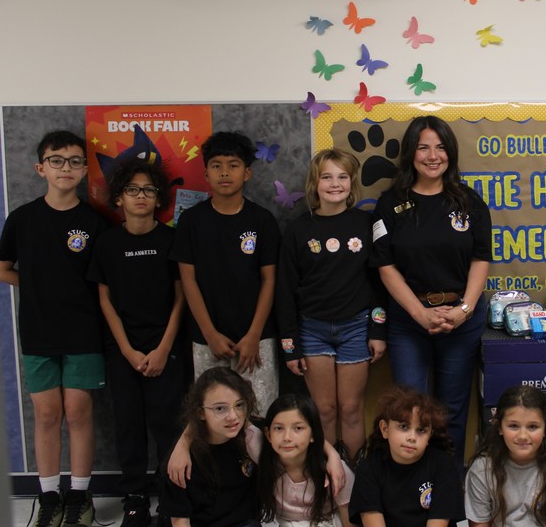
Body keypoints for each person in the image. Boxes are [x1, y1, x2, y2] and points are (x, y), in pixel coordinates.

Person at [0, 130, 109, 527]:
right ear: (40, 167)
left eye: (75, 161)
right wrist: (37, 285)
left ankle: (78, 496)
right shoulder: (23, 218)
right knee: (46, 416)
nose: (66, 168)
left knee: (78, 413)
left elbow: (104, 283)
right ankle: (48, 498)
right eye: (56, 160)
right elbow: (1, 268)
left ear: (84, 170)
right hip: (38, 335)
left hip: (83, 335)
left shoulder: (94, 222)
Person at [371, 115, 492, 463]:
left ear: (450, 153)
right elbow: (385, 266)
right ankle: (413, 484)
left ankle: (448, 488)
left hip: (461, 319)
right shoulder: (390, 203)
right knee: (409, 409)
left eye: (440, 147)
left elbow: (480, 260)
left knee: (452, 409)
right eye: (423, 147)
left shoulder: (469, 202)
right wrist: (419, 313)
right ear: (411, 153)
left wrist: (463, 311)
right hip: (409, 321)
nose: (432, 155)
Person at [88, 158, 187, 527]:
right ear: (119, 197)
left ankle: (168, 507)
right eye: (133, 190)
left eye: (148, 190)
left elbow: (182, 299)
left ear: (158, 196)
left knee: (168, 428)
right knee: (128, 428)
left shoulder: (171, 240)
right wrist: (128, 351)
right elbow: (105, 300)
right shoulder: (108, 243)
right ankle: (134, 504)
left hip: (167, 350)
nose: (141, 197)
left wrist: (162, 348)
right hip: (123, 353)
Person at [276, 148, 386, 462]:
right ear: (315, 182)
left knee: (351, 409)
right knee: (323, 409)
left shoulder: (366, 224)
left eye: (342, 177)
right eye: (327, 177)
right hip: (312, 331)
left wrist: (378, 330)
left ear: (352, 183)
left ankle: (354, 479)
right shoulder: (298, 230)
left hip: (356, 327)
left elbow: (380, 282)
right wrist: (289, 346)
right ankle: (329, 476)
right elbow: (284, 292)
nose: (334, 184)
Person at [171, 131, 281, 411]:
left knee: (261, 413)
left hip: (257, 338)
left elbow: (269, 280)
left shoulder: (262, 220)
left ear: (247, 173)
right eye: (216, 166)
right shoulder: (191, 222)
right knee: (214, 416)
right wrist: (209, 334)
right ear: (206, 174)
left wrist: (254, 334)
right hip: (208, 339)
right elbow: (188, 280)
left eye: (233, 165)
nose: (224, 173)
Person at [466, 385, 546, 527]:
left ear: (545, 429)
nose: (522, 436)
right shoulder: (482, 469)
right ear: (499, 427)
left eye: (532, 427)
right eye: (513, 426)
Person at [161, 366, 266, 527]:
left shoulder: (253, 434)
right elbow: (180, 523)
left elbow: (303, 429)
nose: (233, 416)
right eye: (220, 409)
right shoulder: (180, 458)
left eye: (239, 405)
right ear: (200, 412)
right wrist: (184, 441)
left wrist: (331, 456)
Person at [349, 385, 464, 527]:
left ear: (430, 435)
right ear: (385, 429)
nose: (412, 437)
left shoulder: (443, 465)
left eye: (421, 430)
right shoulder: (368, 469)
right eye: (404, 427)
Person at [258, 394, 358, 527]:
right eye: (278, 428)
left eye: (298, 428)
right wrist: (332, 452)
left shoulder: (334, 471)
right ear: (268, 434)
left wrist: (333, 456)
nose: (287, 437)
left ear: (313, 435)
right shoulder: (263, 456)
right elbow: (236, 421)